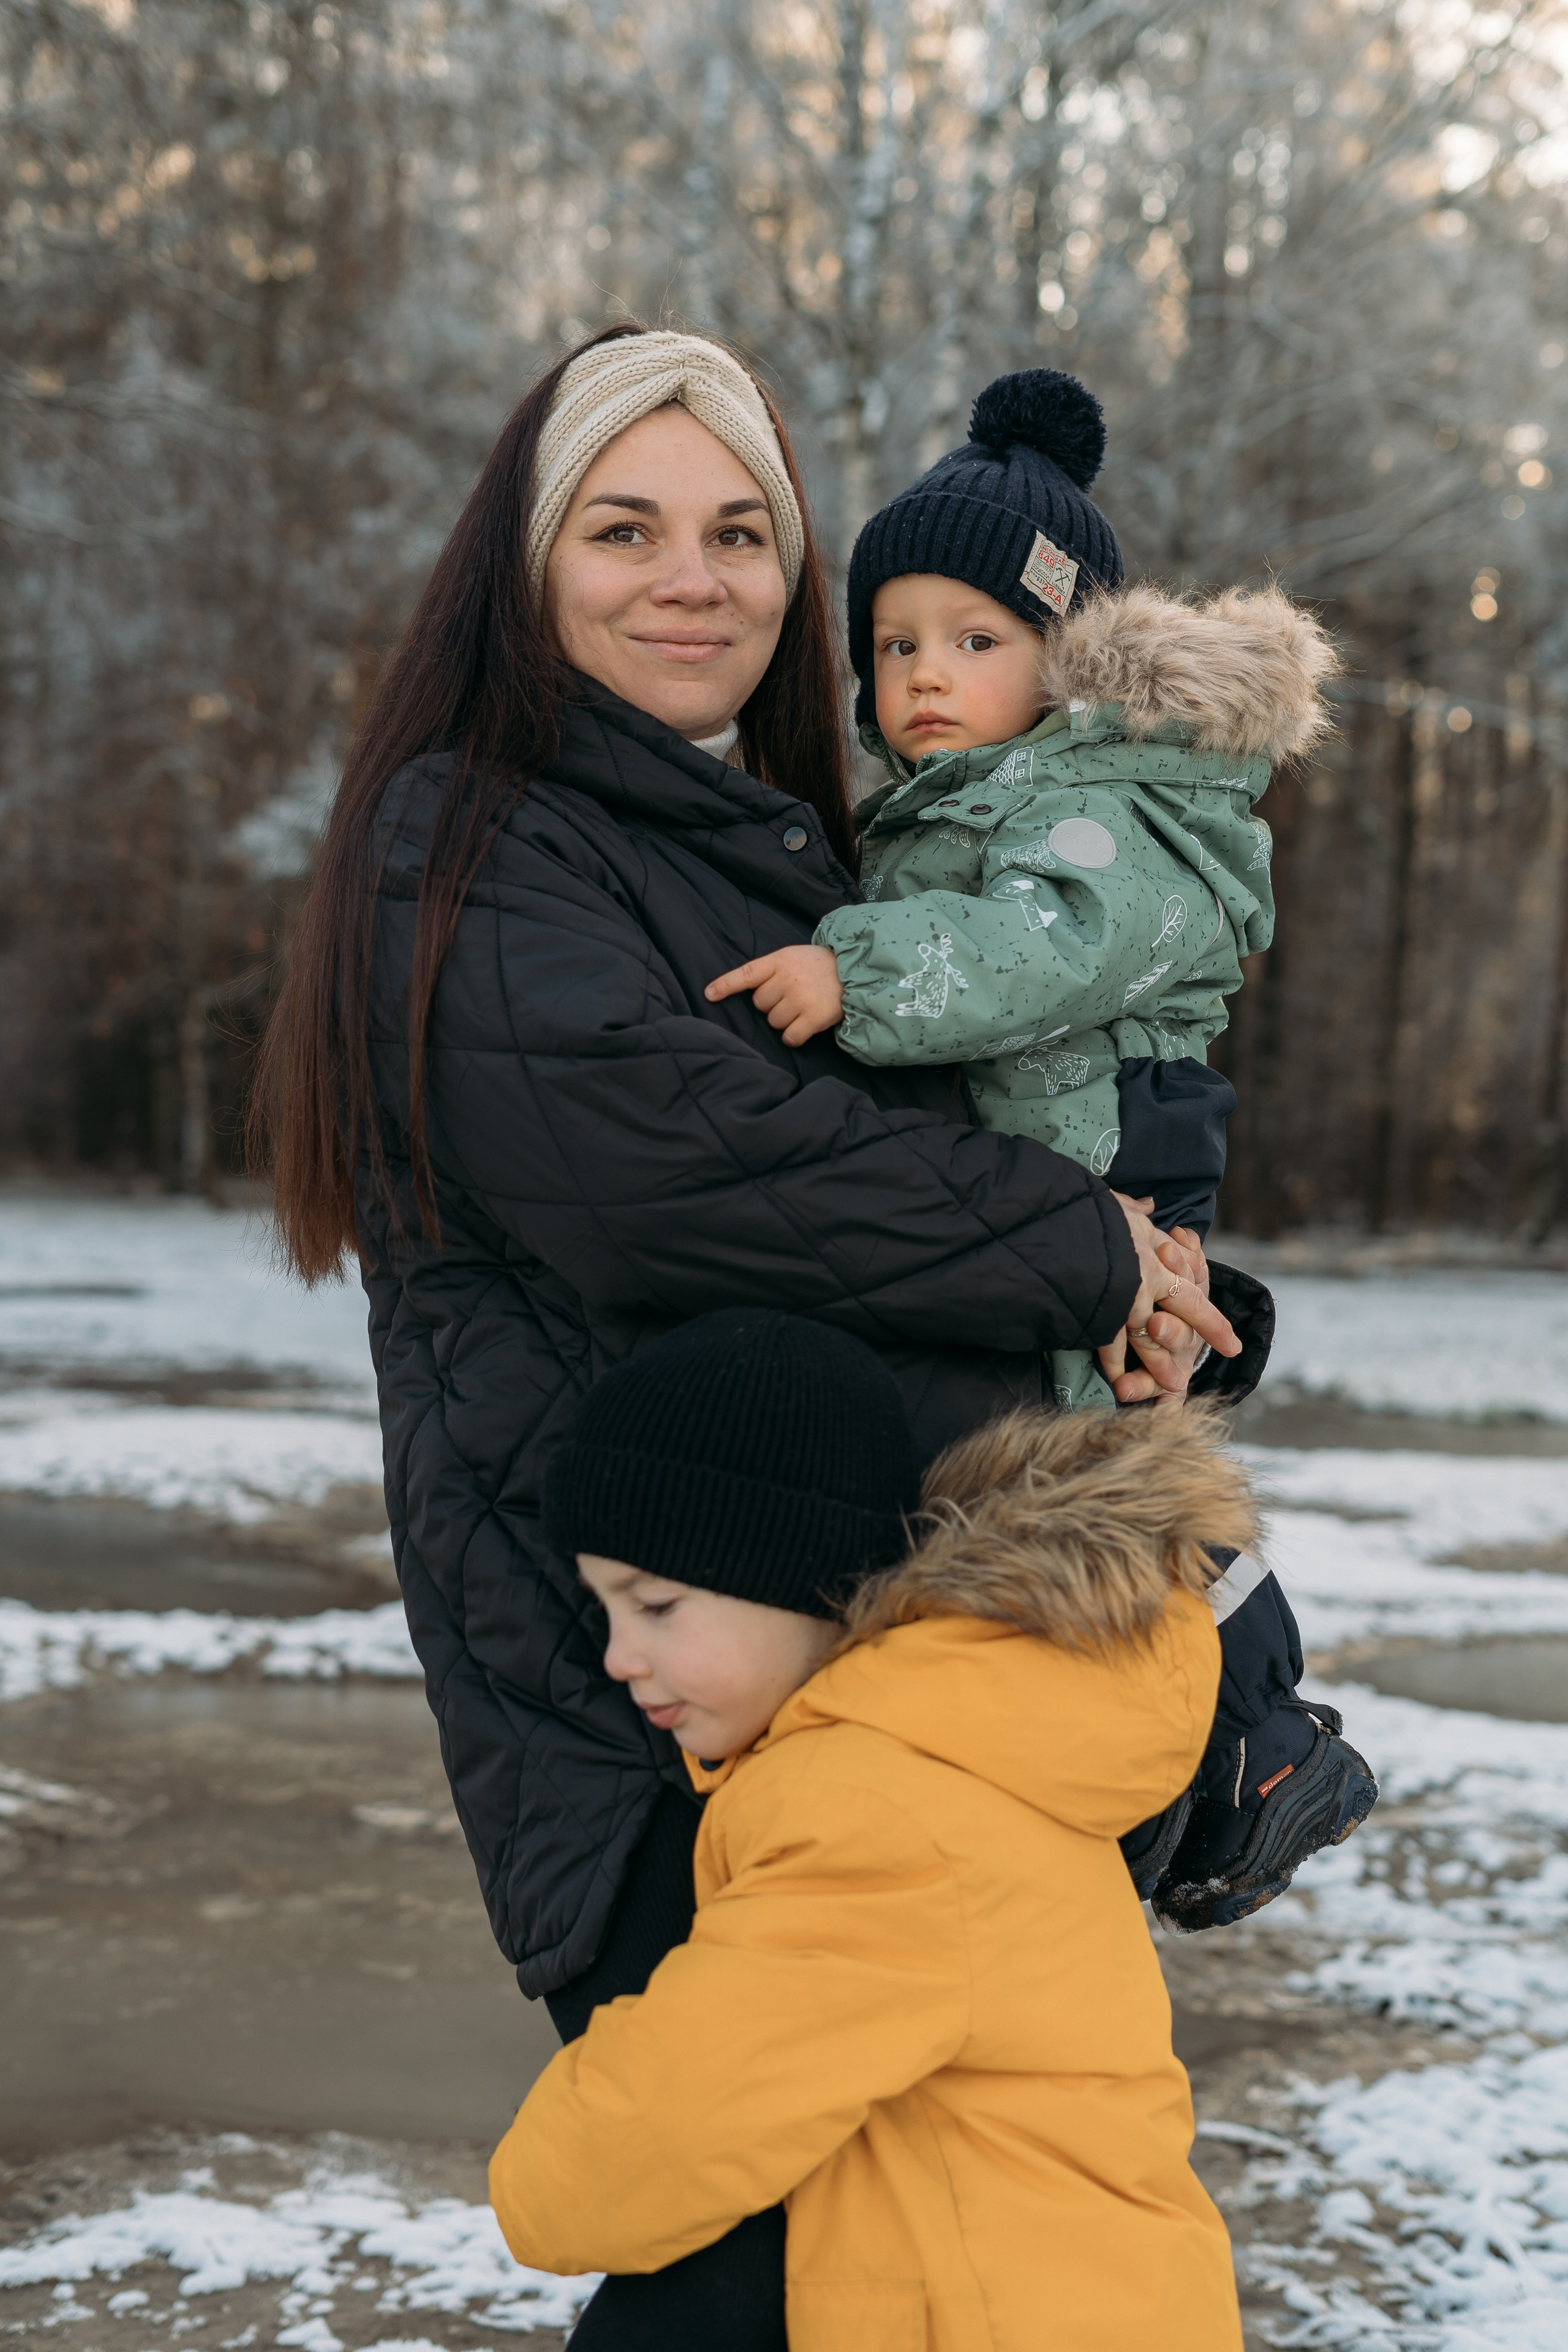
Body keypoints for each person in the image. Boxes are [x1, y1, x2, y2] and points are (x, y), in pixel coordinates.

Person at [252, 320, 1255, 2349]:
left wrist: (1177, 1298)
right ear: (523, 574)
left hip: (863, 1710)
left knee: (920, 2259)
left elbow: (928, 1161)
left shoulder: (774, 840)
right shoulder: (472, 841)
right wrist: (1077, 1256)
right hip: (648, 1717)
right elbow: (683, 1179)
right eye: (623, 527)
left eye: (740, 532)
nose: (690, 578)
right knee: (772, 2267)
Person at [708, 368, 1375, 1929]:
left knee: (1103, 1473)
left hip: (1101, 1165)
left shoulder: (1099, 808)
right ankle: (1196, 1754)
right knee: (1072, 1473)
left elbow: (1040, 955)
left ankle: (1257, 1748)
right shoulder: (968, 799)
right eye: (892, 644)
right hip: (1050, 1179)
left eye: (974, 640)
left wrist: (849, 973)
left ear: (1065, 663)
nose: (922, 676)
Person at [490, 1307, 1263, 2351]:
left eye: (657, 1606)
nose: (620, 1655)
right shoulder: (947, 1743)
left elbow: (632, 2155)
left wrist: (540, 2157)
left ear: (796, 1575)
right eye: (606, 1612)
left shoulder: (875, 1810)